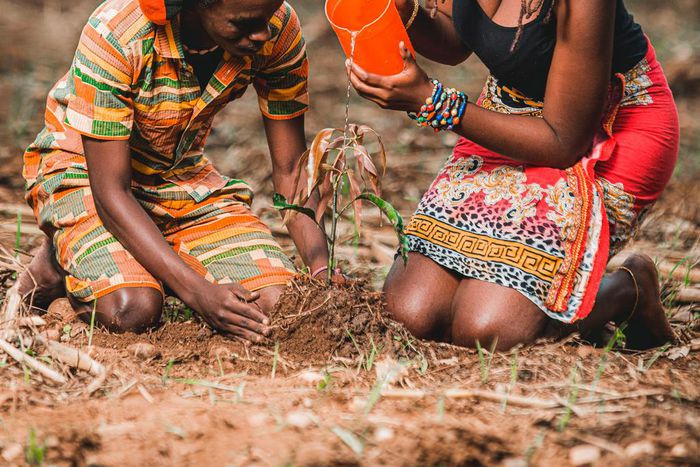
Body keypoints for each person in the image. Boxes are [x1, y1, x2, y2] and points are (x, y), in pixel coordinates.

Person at [347, 0, 679, 350]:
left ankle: (628, 289)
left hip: (604, 127)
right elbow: (457, 37)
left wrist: (433, 102)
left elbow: (564, 142)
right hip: (510, 110)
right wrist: (405, 11)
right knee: (410, 312)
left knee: (490, 329)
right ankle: (546, 295)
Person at [18, 0, 331, 342]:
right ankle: (58, 259)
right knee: (132, 310)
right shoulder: (117, 34)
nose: (262, 34)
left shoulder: (277, 27)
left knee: (278, 302)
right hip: (85, 175)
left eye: (267, 18)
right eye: (244, 23)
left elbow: (290, 169)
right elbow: (110, 192)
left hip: (176, 177)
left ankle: (140, 257)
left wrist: (320, 271)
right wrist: (198, 292)